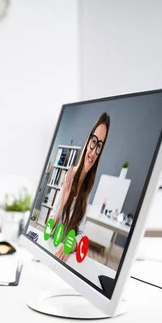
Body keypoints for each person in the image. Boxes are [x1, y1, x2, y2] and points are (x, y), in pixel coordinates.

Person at [52, 112, 111, 261]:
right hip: (51, 246)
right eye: (93, 141)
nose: (93, 150)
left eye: (99, 146)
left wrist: (69, 246)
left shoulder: (87, 189)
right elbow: (48, 225)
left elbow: (80, 233)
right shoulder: (69, 176)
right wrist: (61, 205)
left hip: (64, 256)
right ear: (87, 141)